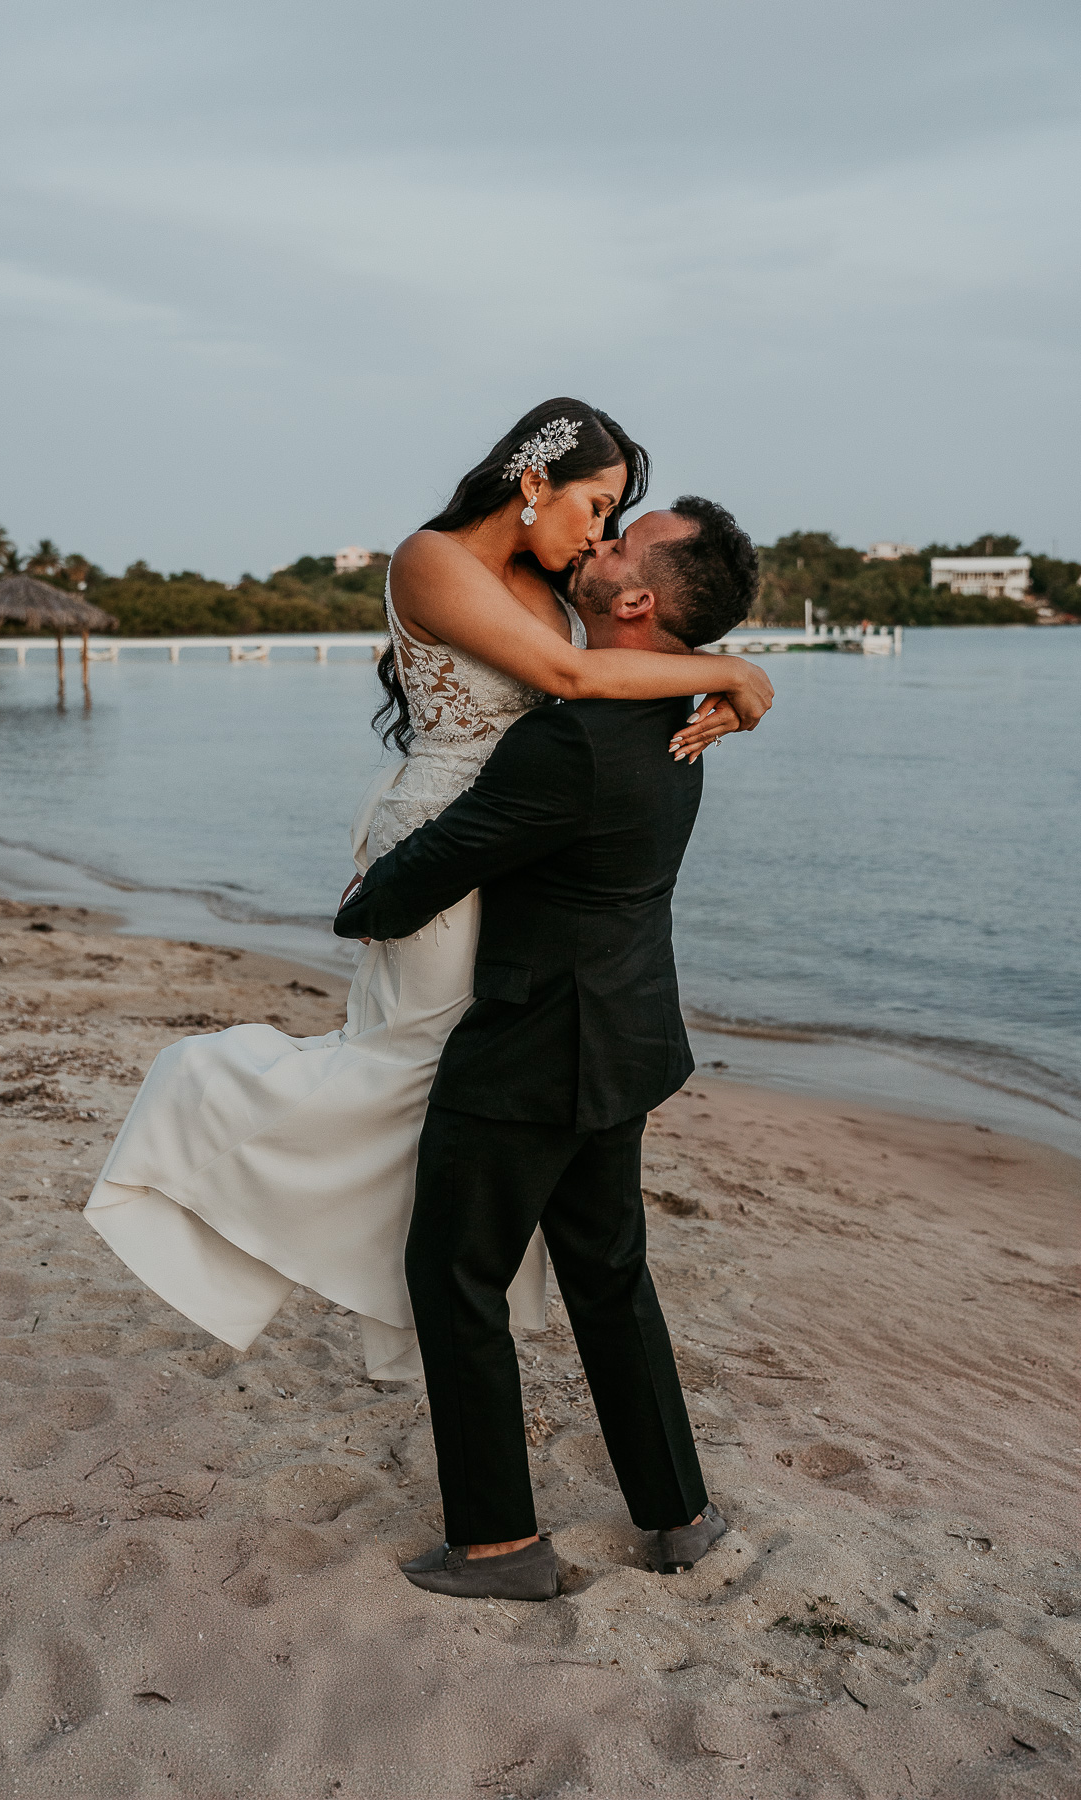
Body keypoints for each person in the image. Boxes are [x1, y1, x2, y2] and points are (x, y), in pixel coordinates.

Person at [84, 400, 773, 1383]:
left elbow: (621, 658)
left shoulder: (542, 573)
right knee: (412, 1068)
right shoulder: (429, 558)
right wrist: (739, 668)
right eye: (596, 506)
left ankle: (422, 1308)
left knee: (455, 1081)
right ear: (535, 481)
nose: (600, 535)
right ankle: (201, 1103)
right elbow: (575, 674)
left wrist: (720, 687)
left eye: (616, 519)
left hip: (508, 847)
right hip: (442, 837)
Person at [334, 493, 761, 1600]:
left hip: (533, 1049)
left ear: (631, 598)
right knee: (611, 1277)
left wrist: (361, 903)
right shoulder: (690, 708)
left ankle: (498, 1544)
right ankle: (680, 1515)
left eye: (620, 541)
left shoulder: (571, 735)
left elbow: (442, 863)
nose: (597, 542)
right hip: (625, 1038)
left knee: (455, 1275)